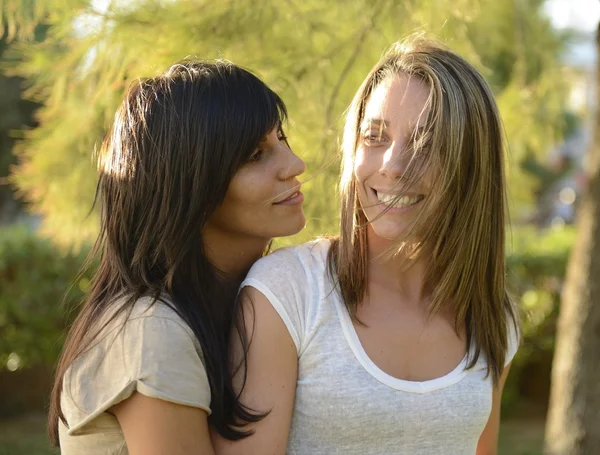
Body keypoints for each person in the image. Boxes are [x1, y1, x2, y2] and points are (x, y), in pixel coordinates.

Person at [214, 38, 519, 455]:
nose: (393, 166)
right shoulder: (287, 293)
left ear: (472, 162)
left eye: (426, 143)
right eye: (374, 137)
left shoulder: (493, 316)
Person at [47, 60, 306, 455]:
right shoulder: (152, 332)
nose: (294, 164)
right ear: (191, 187)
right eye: (255, 155)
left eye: (281, 138)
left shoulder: (238, 304)